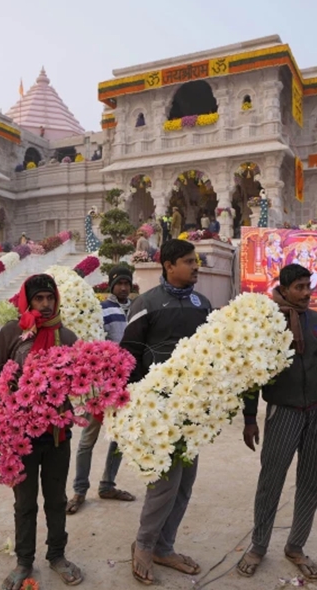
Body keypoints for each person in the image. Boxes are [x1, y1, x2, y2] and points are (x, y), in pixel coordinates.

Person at [0, 274, 84, 589]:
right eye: (38, 299)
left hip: (57, 435)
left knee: (56, 499)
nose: (45, 305)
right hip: (20, 436)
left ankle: (57, 556)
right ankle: (24, 562)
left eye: (49, 298)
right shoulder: (12, 333)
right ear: (27, 300)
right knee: (25, 503)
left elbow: (82, 380)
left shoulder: (67, 337)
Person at [236, 264, 317, 582]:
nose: (306, 293)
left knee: (312, 482)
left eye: (309, 287)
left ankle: (296, 546)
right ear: (285, 288)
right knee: (271, 482)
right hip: (283, 412)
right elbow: (252, 374)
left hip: (315, 411)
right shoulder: (265, 322)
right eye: (299, 288)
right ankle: (258, 547)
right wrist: (250, 419)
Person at [122, 239, 212, 585]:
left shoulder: (201, 303)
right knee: (163, 483)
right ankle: (143, 545)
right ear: (169, 265)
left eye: (196, 261)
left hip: (193, 408)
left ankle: (165, 546)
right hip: (157, 410)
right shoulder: (146, 303)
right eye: (189, 261)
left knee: (185, 483)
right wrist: (131, 405)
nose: (195, 266)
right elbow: (128, 356)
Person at [67, 265, 136, 516]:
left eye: (127, 283)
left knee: (117, 437)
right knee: (87, 439)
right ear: (111, 284)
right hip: (100, 387)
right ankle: (79, 490)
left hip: (126, 385)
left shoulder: (137, 308)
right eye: (119, 283)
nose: (124, 288)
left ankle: (107, 485)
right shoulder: (102, 310)